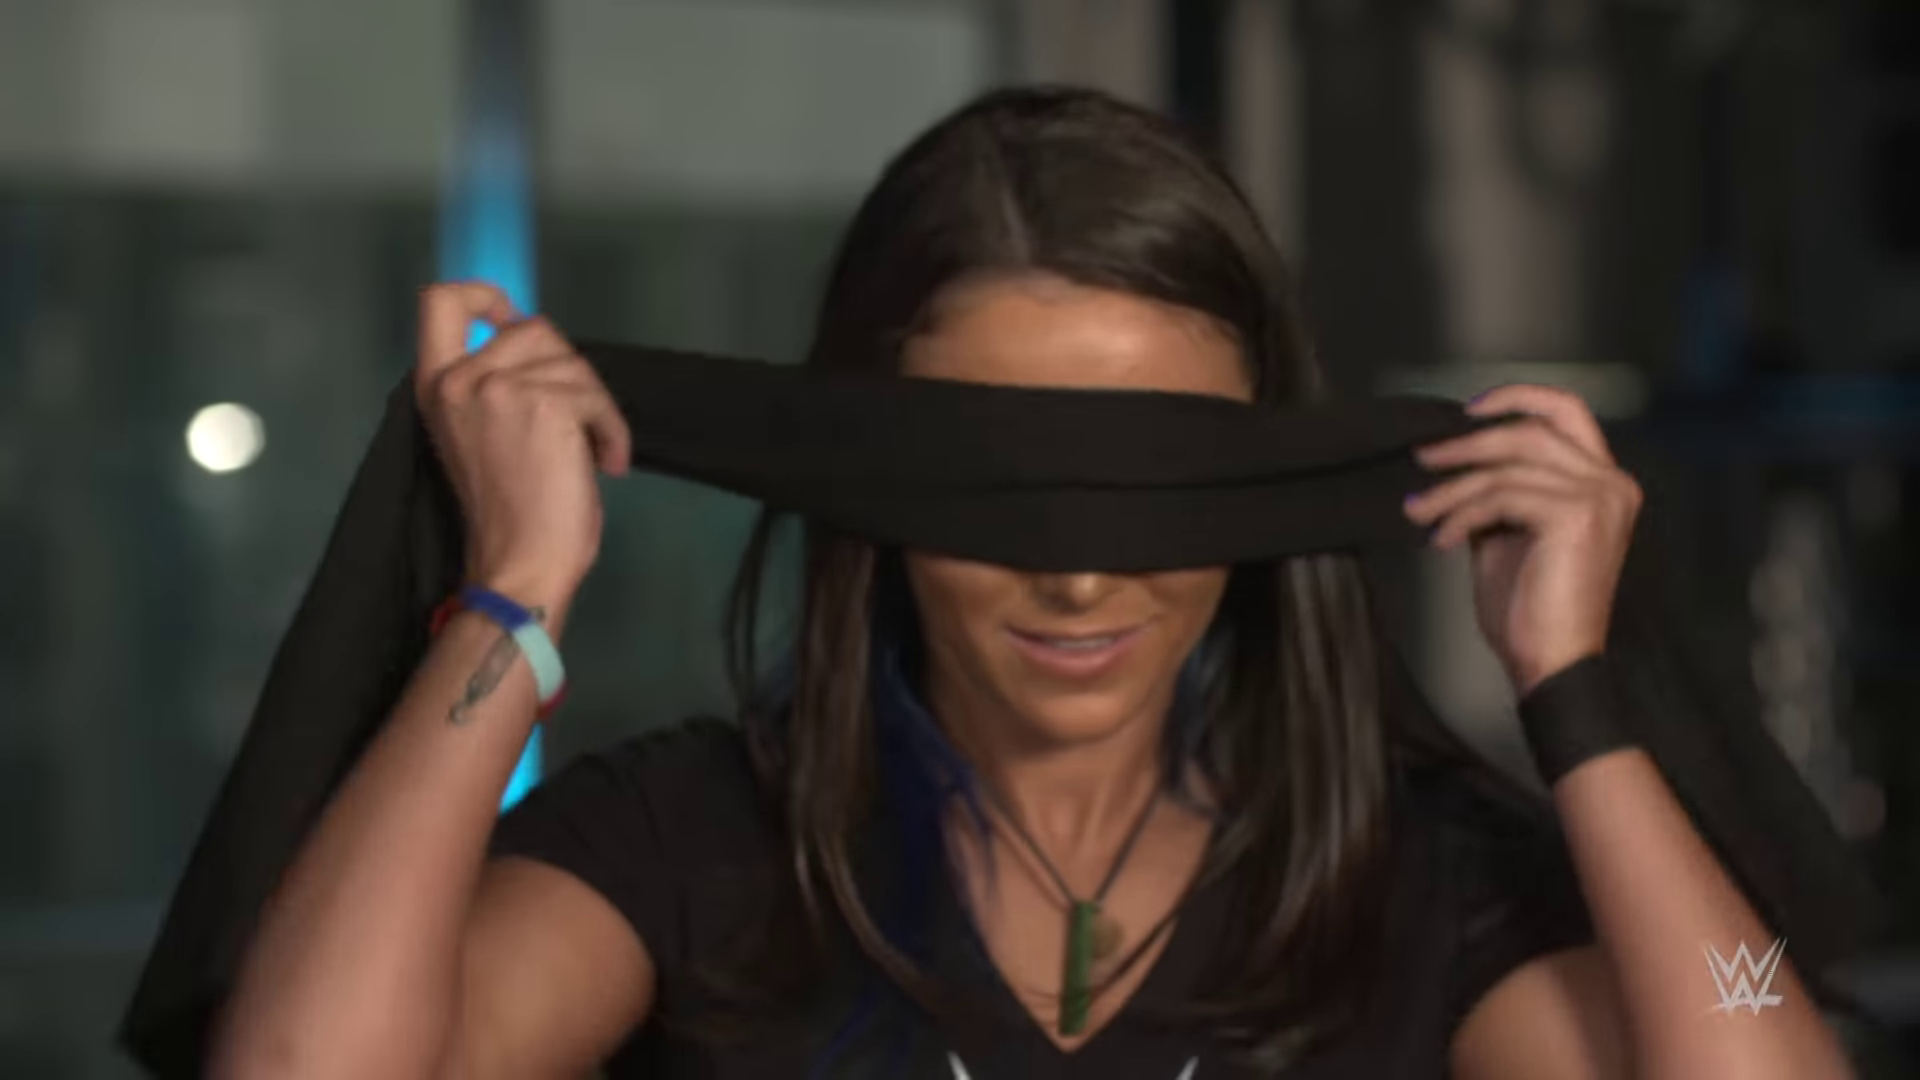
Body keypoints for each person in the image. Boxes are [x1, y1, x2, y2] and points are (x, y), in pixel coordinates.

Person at [204, 87, 1856, 1079]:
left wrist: (1578, 697)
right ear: (871, 482)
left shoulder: (1420, 884)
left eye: (1153, 489)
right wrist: (513, 597)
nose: (1078, 578)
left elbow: (1755, 1041)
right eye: (1004, 492)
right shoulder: (696, 845)